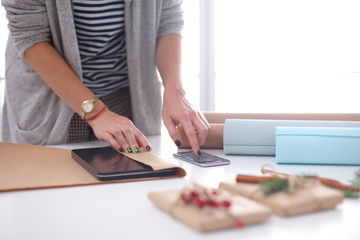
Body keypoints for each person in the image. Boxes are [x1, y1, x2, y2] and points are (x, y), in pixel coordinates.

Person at [1, 0, 210, 156]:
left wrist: (175, 91)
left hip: (126, 100)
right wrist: (96, 113)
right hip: (53, 105)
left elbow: (167, 17)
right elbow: (31, 35)